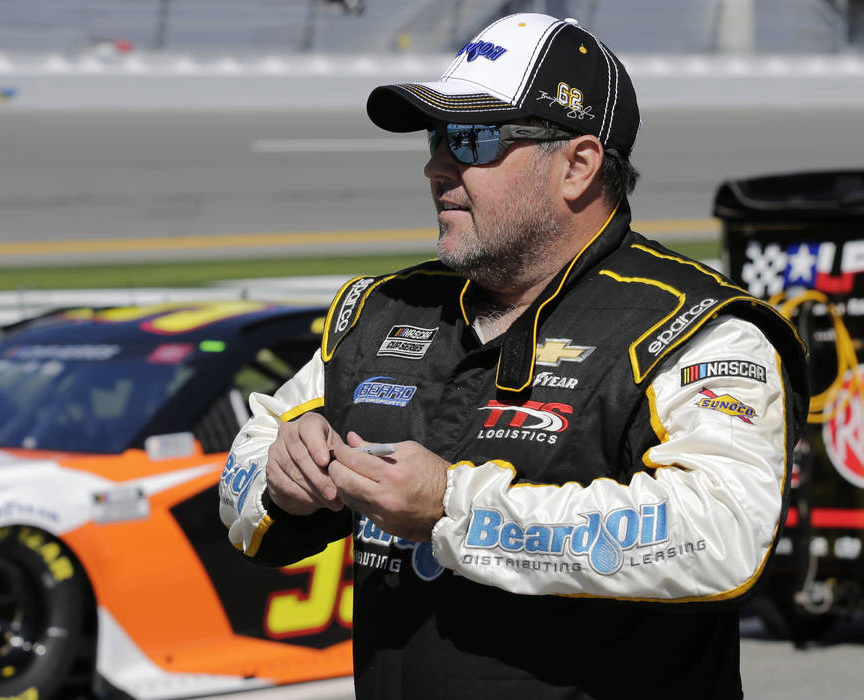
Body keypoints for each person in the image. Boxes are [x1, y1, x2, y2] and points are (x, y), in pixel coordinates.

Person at [220, 12, 808, 700]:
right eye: (437, 138)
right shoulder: (383, 311)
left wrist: (451, 507)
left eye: (472, 139)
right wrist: (284, 474)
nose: (437, 165)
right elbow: (247, 464)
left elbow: (722, 532)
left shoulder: (696, 327)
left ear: (578, 165)